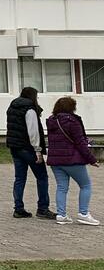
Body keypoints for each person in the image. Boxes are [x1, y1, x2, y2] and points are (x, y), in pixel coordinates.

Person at [46, 97, 99, 226]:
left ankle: (61, 215)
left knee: (62, 187)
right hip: (72, 160)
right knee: (85, 185)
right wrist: (91, 159)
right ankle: (83, 214)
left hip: (55, 160)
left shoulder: (51, 121)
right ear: (72, 107)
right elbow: (80, 143)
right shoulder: (73, 121)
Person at [5, 87, 55, 219]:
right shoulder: (30, 109)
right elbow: (33, 131)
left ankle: (18, 208)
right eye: (36, 97)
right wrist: (37, 150)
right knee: (42, 177)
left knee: (20, 178)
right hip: (28, 148)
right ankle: (43, 208)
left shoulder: (13, 107)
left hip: (15, 147)